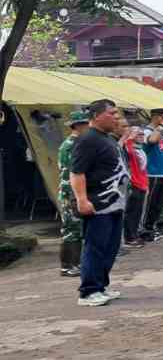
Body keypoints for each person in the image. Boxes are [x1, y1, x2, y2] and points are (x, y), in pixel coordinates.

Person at [71, 99, 128, 307]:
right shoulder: (88, 139)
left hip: (114, 204)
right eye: (112, 113)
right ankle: (88, 291)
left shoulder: (107, 139)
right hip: (98, 204)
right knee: (95, 247)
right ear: (96, 116)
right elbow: (77, 172)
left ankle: (101, 286)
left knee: (110, 248)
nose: (116, 117)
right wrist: (82, 200)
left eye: (117, 113)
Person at [56, 110, 89, 277]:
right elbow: (74, 171)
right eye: (85, 124)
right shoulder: (71, 145)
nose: (88, 127)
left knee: (76, 229)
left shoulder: (76, 143)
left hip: (73, 192)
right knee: (71, 230)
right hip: (70, 192)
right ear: (77, 126)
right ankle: (68, 266)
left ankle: (75, 263)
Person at [141, 108, 163, 240]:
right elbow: (152, 140)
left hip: (162, 172)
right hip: (151, 173)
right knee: (150, 204)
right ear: (156, 117)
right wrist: (162, 126)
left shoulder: (161, 131)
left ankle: (152, 228)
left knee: (158, 204)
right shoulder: (147, 131)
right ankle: (145, 230)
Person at [122, 126, 149, 248]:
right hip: (134, 183)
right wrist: (129, 138)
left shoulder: (140, 149)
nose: (142, 136)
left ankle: (135, 234)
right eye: (139, 134)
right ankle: (130, 237)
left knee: (138, 211)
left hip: (142, 183)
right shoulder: (129, 148)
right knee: (131, 212)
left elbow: (143, 168)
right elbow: (127, 150)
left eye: (142, 134)